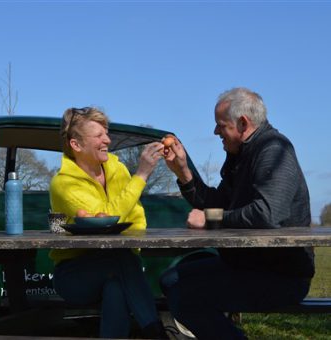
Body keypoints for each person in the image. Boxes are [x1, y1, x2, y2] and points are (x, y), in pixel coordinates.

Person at [160, 88, 315, 339]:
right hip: (245, 265)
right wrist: (183, 172)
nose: (215, 132)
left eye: (220, 125)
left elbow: (267, 213)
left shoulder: (274, 150)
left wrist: (210, 219)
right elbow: (217, 201)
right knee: (169, 280)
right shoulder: (239, 155)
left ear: (243, 123)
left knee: (185, 299)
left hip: (280, 276)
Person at [49, 107, 168, 339]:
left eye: (107, 133)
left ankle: (154, 333)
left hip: (118, 266)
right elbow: (105, 225)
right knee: (121, 259)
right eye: (99, 135)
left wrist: (116, 215)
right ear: (76, 145)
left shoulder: (117, 169)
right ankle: (156, 333)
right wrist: (141, 175)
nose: (107, 140)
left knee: (116, 287)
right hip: (74, 275)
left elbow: (134, 217)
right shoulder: (63, 184)